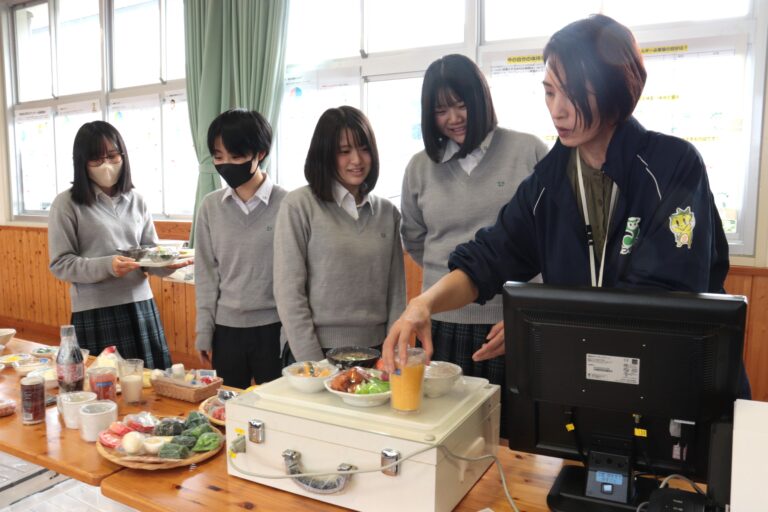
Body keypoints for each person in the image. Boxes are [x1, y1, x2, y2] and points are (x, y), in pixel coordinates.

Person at [383, 14, 744, 395]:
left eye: (572, 93)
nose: (557, 110)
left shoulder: (672, 166)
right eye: (550, 92)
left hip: (668, 380)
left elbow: (660, 298)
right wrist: (423, 303)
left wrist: (542, 321)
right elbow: (489, 256)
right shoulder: (549, 181)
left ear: (616, 90)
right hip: (586, 377)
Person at [400, 53, 548, 390]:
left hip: (510, 320)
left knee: (510, 430)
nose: (453, 118)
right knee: (444, 427)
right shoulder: (420, 167)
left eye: (460, 104)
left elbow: (552, 240)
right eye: (440, 111)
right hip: (441, 321)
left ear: (480, 97)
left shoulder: (528, 151)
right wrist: (450, 280)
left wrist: (526, 311)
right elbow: (415, 238)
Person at [48, 121, 192, 369]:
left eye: (112, 156)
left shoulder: (136, 200)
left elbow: (148, 255)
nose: (106, 164)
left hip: (141, 304)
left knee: (152, 382)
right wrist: (108, 266)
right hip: (96, 310)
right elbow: (61, 264)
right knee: (104, 387)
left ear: (122, 156)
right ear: (81, 162)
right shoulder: (66, 204)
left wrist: (168, 266)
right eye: (96, 159)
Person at [274, 106, 406, 364]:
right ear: (325, 155)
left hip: (376, 351)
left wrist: (392, 353)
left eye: (364, 148)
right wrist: (313, 364)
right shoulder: (299, 205)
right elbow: (289, 293)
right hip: (315, 351)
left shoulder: (387, 212)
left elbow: (396, 294)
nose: (356, 160)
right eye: (344, 152)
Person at [194, 109, 287, 388]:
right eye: (219, 156)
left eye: (236, 156)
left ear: (260, 153)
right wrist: (204, 332)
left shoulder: (289, 205)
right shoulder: (210, 207)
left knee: (278, 410)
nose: (226, 165)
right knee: (229, 410)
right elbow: (207, 276)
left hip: (275, 329)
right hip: (227, 330)